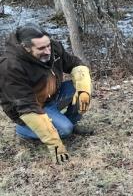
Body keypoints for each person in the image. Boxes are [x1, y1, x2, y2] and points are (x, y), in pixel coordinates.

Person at [0, 23, 93, 164]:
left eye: (48, 45)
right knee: (65, 130)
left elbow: (75, 64)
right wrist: (54, 143)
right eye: (41, 48)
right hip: (30, 110)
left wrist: (84, 88)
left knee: (80, 88)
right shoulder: (10, 67)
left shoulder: (53, 47)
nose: (48, 51)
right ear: (26, 48)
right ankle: (24, 130)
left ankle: (70, 123)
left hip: (52, 97)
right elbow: (27, 107)